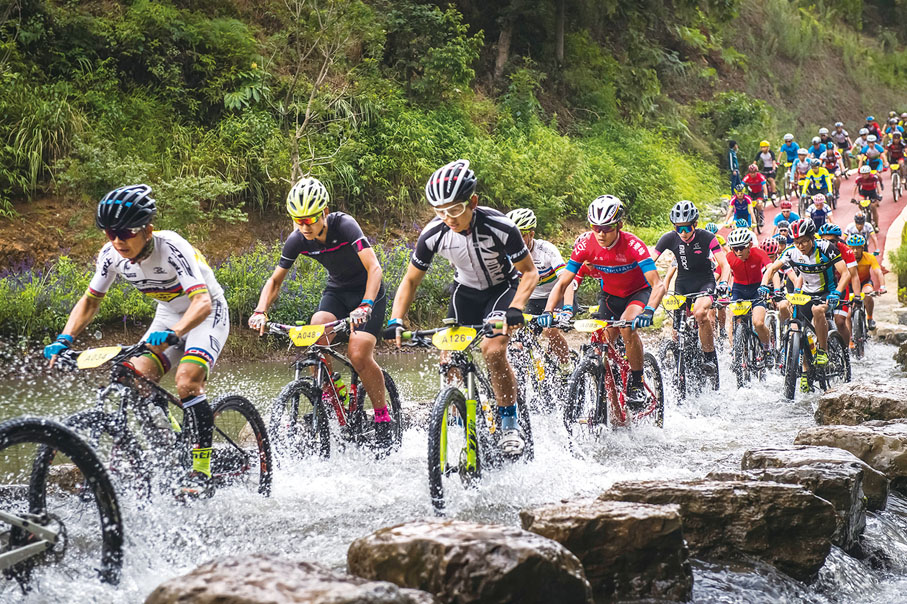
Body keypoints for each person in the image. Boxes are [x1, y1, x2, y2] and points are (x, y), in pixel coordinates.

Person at [43, 184, 228, 498]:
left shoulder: (172, 247)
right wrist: (64, 339)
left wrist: (176, 333)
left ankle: (202, 469)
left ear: (148, 230)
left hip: (206, 312)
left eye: (126, 233)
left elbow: (202, 303)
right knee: (132, 375)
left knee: (186, 380)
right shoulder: (110, 256)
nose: (118, 241)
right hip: (168, 313)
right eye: (110, 233)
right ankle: (172, 440)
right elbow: (90, 302)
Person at [387, 159, 539, 456]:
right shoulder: (433, 234)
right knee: (448, 357)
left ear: (473, 202)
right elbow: (411, 280)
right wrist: (396, 320)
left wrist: (516, 308)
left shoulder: (500, 226)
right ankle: (459, 413)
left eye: (455, 209)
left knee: (492, 350)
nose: (448, 218)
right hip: (465, 293)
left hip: (502, 290)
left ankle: (509, 423)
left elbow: (530, 272)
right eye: (440, 211)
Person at [249, 177, 394, 451]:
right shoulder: (297, 239)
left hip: (367, 291)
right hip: (337, 291)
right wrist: (260, 310)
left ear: (324, 213)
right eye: (298, 220)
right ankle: (331, 394)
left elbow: (374, 268)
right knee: (315, 333)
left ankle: (382, 416)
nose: (304, 226)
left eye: (310, 220)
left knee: (358, 354)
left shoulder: (345, 225)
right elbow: (276, 280)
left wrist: (366, 305)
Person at [542, 195, 666, 408]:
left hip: (637, 293)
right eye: (595, 227)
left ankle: (637, 382)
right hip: (610, 296)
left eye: (607, 228)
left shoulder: (633, 245)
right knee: (602, 344)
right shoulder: (585, 245)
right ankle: (611, 387)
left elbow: (658, 285)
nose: (600, 233)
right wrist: (548, 310)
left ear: (619, 225)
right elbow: (563, 283)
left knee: (627, 328)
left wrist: (649, 311)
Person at [760, 218, 852, 392]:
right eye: (796, 242)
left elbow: (845, 273)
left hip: (828, 292)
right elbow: (772, 269)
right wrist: (764, 285)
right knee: (796, 328)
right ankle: (804, 370)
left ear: (812, 238)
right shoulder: (791, 251)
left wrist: (837, 293)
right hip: (807, 293)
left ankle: (823, 351)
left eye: (803, 241)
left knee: (817, 310)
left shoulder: (826, 248)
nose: (800, 246)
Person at [654, 200, 730, 380]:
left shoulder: (707, 237)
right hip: (682, 284)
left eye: (687, 228)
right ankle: (679, 360)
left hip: (705, 282)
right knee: (676, 329)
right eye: (678, 228)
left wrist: (724, 283)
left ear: (695, 224)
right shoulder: (669, 238)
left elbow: (724, 264)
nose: (683, 233)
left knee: (700, 313)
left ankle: (709, 357)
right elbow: (649, 262)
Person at [505, 208, 571, 362]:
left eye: (521, 235)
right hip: (535, 300)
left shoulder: (546, 250)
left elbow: (566, 281)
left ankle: (566, 366)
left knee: (549, 330)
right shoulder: (508, 255)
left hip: (557, 298)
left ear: (531, 234)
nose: (515, 241)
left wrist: (567, 308)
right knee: (520, 341)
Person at [725, 228, 773, 360]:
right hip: (738, 289)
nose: (738, 252)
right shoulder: (729, 257)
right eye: (735, 249)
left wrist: (772, 287)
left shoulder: (758, 253)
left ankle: (767, 348)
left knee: (758, 323)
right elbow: (720, 272)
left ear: (750, 245)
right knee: (733, 320)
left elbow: (771, 269)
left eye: (741, 248)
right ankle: (735, 349)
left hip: (757, 289)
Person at [818, 223, 860, 347]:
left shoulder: (846, 250)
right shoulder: (816, 249)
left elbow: (854, 275)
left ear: (838, 240)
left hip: (841, 286)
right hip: (824, 286)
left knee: (840, 322)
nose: (828, 244)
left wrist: (857, 296)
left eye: (832, 241)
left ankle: (845, 351)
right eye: (824, 240)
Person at [845, 234, 885, 330]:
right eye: (852, 248)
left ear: (863, 248)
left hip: (865, 282)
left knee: (868, 294)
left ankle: (870, 318)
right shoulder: (844, 258)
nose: (855, 251)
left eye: (858, 248)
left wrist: (882, 286)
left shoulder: (869, 257)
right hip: (849, 284)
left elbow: (878, 271)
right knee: (847, 312)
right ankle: (849, 338)